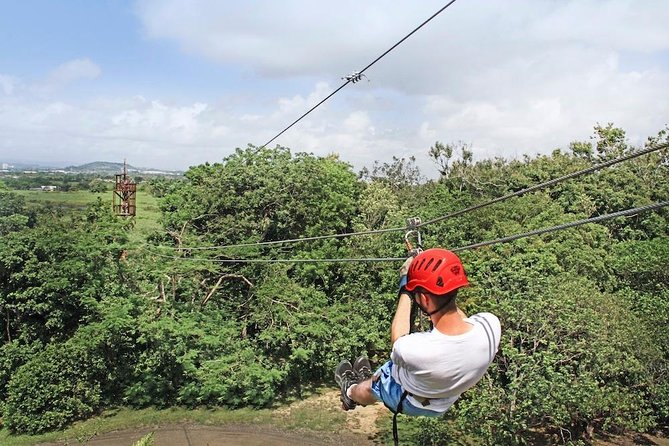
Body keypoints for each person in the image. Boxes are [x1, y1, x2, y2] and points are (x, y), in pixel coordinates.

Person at [335, 248, 501, 422]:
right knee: (391, 372)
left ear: (424, 299)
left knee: (375, 384)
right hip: (444, 401)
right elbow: (465, 320)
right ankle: (363, 382)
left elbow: (398, 340)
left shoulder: (416, 350)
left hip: (410, 399)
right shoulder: (491, 326)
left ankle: (350, 392)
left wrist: (405, 287)